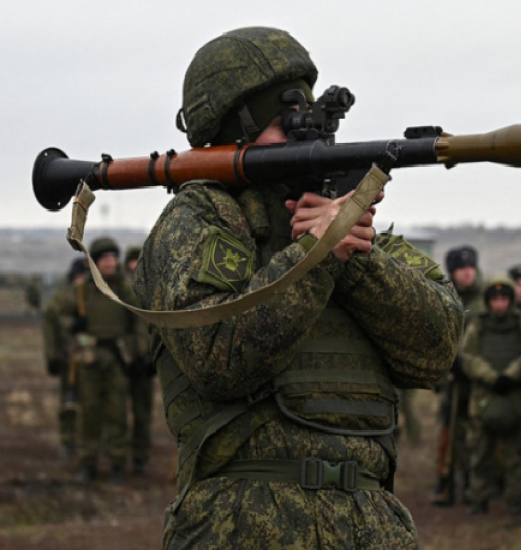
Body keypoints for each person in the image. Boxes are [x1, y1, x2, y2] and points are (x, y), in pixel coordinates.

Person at [133, 27, 463, 550]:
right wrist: (317, 255)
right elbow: (218, 355)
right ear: (230, 131)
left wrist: (352, 254)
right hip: (242, 523)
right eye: (282, 123)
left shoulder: (351, 225)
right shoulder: (201, 219)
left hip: (371, 523)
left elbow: (436, 350)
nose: (303, 137)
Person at [62, 237, 143, 485]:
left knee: (118, 414)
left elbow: (139, 320)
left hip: (117, 360)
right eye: (105, 258)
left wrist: (140, 352)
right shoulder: (83, 291)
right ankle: (88, 464)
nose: (111, 262)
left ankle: (118, 464)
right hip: (89, 361)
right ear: (95, 262)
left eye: (114, 257)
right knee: (89, 414)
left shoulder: (125, 288)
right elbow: (61, 316)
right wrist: (74, 324)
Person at [461, 276, 521, 515]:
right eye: (495, 299)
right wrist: (492, 377)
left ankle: (516, 500)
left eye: (504, 299)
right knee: (480, 454)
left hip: (514, 398)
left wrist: (511, 375)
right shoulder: (478, 325)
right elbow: (468, 356)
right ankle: (478, 499)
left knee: (516, 456)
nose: (499, 304)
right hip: (484, 398)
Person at [432, 245, 483, 506]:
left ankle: (474, 486)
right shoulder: (446, 299)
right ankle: (446, 481)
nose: (466, 273)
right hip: (452, 379)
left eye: (470, 267)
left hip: (477, 380)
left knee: (474, 434)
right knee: (448, 431)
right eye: (461, 269)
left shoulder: (484, 302)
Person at [42, 257, 89, 458]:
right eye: (78, 276)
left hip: (89, 359)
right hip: (66, 359)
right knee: (68, 401)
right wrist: (52, 358)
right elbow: (51, 330)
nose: (80, 280)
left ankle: (89, 441)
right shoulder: (60, 299)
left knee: (91, 401)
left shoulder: (95, 297)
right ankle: (67, 440)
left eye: (84, 276)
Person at [123, 245, 155, 474]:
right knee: (115, 412)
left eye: (138, 260)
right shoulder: (118, 290)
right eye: (131, 261)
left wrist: (151, 356)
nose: (134, 265)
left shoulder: (154, 288)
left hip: (146, 363)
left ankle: (140, 458)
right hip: (122, 361)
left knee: (143, 413)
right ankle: (116, 456)